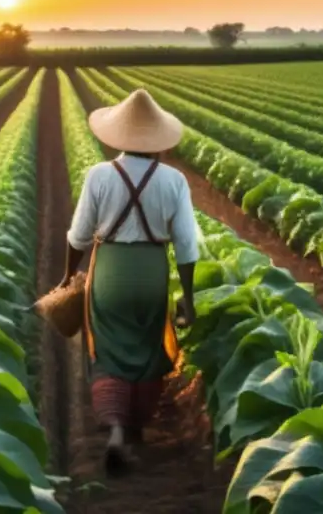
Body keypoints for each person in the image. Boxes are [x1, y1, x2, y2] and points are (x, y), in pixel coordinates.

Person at [59, 88, 199, 476]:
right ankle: (137, 426)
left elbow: (79, 235)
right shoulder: (174, 181)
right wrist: (187, 298)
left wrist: (69, 276)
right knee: (148, 346)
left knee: (107, 349)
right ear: (159, 142)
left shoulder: (100, 175)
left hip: (111, 271)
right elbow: (187, 246)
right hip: (151, 271)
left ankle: (117, 430)